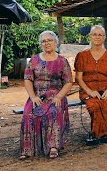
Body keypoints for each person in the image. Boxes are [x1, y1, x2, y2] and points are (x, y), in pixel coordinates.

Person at [20, 30, 74, 159]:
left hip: (56, 95)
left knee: (53, 112)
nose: (47, 43)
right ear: (40, 44)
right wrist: (33, 97)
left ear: (55, 42)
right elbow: (28, 79)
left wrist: (59, 96)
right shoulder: (33, 60)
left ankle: (53, 147)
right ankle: (27, 150)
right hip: (37, 95)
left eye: (49, 40)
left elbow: (68, 82)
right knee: (28, 114)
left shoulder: (62, 61)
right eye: (43, 41)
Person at [74, 25, 107, 143]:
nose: (97, 37)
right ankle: (99, 134)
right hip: (88, 88)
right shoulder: (82, 56)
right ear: (90, 37)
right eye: (94, 34)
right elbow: (79, 78)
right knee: (95, 105)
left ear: (104, 38)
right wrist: (90, 92)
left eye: (100, 35)